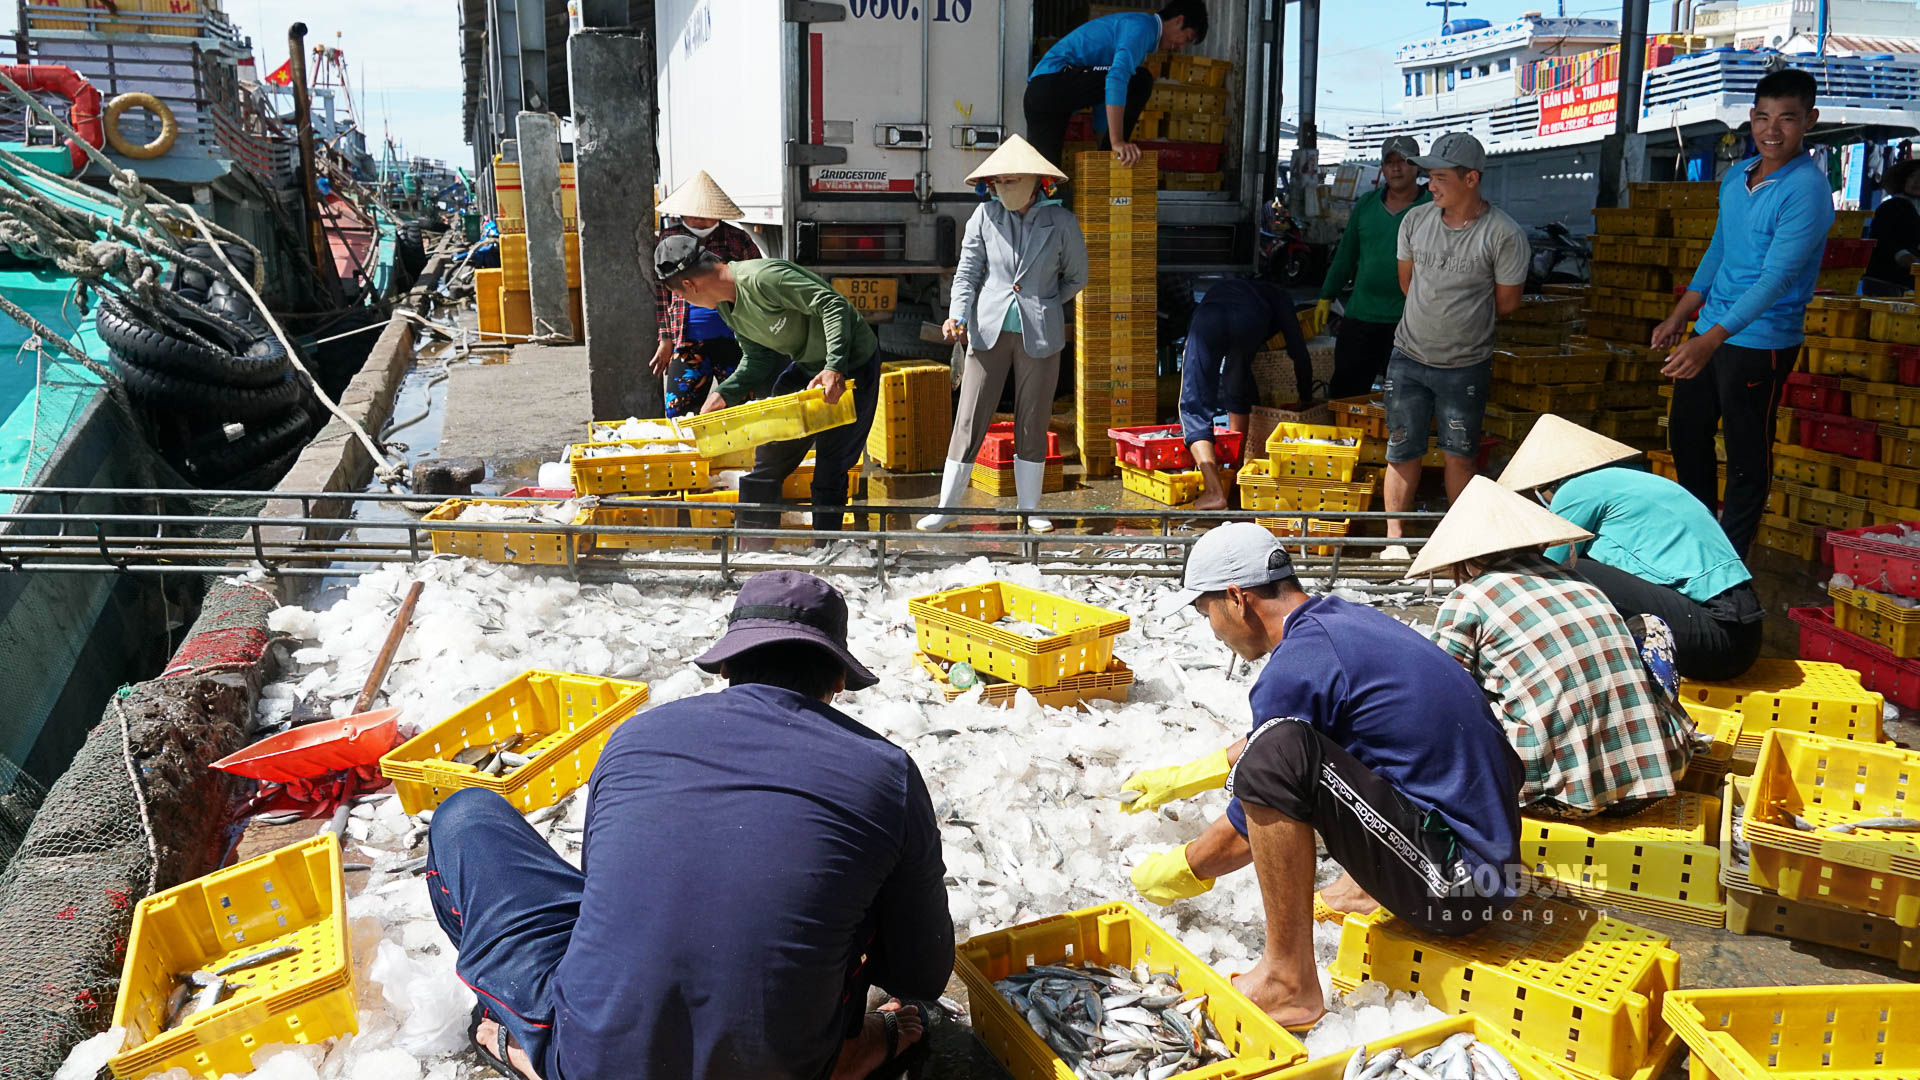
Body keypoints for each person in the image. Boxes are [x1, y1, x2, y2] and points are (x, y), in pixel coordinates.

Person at [426, 571, 953, 1080]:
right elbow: (921, 974)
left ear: (726, 667)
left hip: (597, 1062)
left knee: (465, 814)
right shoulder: (886, 770)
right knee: (871, 888)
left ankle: (533, 1045)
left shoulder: (636, 737)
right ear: (840, 679)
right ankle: (844, 1053)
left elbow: (606, 903)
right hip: (783, 1067)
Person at [1124, 523, 1521, 1029]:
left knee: (1277, 754)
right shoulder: (1343, 624)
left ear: (1236, 598)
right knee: (1293, 748)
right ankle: (1368, 885)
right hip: (1490, 864)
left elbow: (1267, 782)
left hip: (1459, 891)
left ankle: (1287, 982)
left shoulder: (1298, 663)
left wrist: (1183, 868)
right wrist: (1188, 776)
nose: (1214, 632)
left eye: (1208, 615)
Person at [1409, 476, 1696, 818]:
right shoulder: (1579, 581)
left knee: (1456, 705)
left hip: (1566, 795)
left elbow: (1441, 697)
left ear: (1468, 558)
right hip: (1662, 769)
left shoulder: (1468, 600)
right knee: (1646, 630)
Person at [1652, 68, 1834, 559]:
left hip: (1763, 341)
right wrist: (1680, 316)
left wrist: (1708, 339)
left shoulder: (1808, 190)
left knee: (1746, 452)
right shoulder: (1737, 176)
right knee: (1687, 434)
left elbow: (1774, 282)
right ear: (1750, 119)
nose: (1772, 130)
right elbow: (1720, 250)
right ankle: (1696, 542)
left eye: (1787, 119)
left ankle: (1730, 562)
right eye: (1762, 117)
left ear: (1809, 121)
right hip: (1711, 329)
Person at [1500, 414, 1764, 681]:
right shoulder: (1631, 481)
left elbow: (1544, 574)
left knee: (1558, 573)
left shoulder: (1578, 489)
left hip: (1718, 636)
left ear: (1547, 484)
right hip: (1744, 637)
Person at [656, 235, 885, 539]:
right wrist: (725, 392)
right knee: (766, 465)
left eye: (681, 296)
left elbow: (833, 304)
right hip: (806, 368)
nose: (685, 303)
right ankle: (752, 554)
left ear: (690, 286)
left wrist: (834, 367)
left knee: (830, 470)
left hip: (852, 365)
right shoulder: (727, 307)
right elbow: (758, 357)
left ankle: (827, 554)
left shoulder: (764, 277)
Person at [920, 136, 1088, 534]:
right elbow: (967, 273)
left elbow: (1077, 276)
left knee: (1033, 420)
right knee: (969, 418)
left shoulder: (1061, 222)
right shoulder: (983, 216)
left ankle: (1030, 509)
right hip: (987, 329)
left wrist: (1044, 300)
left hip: (1040, 333)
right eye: (999, 181)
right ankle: (947, 508)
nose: (1004, 188)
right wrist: (957, 314)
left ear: (1035, 182)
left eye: (1013, 180)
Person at [1379, 132, 1529, 562]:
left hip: (1465, 364)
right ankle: (1394, 541)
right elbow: (1408, 284)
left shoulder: (1503, 234)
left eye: (1440, 177)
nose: (1430, 185)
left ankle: (1457, 546)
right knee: (1401, 447)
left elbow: (1508, 302)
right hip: (1408, 355)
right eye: (1429, 176)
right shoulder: (1415, 221)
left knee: (1459, 456)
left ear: (1471, 179)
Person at [1311, 136, 1432, 399]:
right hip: (1361, 317)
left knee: (1407, 398)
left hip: (1409, 322)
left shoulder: (1432, 207)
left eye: (1404, 161)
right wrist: (1326, 295)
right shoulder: (1366, 204)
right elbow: (1346, 255)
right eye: (1390, 162)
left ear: (1418, 167)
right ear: (1382, 167)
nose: (1396, 168)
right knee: (1345, 395)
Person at [1178, 278, 1314, 510]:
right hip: (1250, 320)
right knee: (1238, 388)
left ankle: (1214, 491)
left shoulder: (1235, 287)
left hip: (1208, 318)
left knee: (1194, 408)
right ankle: (1236, 473)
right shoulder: (1279, 296)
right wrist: (1306, 397)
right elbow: (1298, 349)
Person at [1024, 0, 1208, 168]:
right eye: (1187, 38)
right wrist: (1117, 142)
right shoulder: (1143, 28)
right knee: (1140, 80)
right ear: (1178, 20)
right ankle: (1113, 152)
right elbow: (1115, 79)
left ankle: (1036, 200)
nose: (1181, 46)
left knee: (1046, 179)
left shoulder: (1138, 30)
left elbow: (1103, 92)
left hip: (1039, 94)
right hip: (1054, 81)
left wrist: (1105, 148)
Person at [650, 171, 763, 417]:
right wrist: (665, 339)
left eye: (707, 212)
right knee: (678, 412)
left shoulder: (738, 239)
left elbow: (756, 286)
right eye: (694, 212)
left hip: (736, 339)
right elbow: (662, 295)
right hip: (687, 339)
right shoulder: (668, 240)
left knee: (742, 412)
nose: (700, 218)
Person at [1864, 158, 1920, 297]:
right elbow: (1882, 238)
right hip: (1885, 280)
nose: (1916, 182)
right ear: (1904, 179)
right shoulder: (1891, 206)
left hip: (1908, 282)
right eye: (1913, 176)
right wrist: (1902, 255)